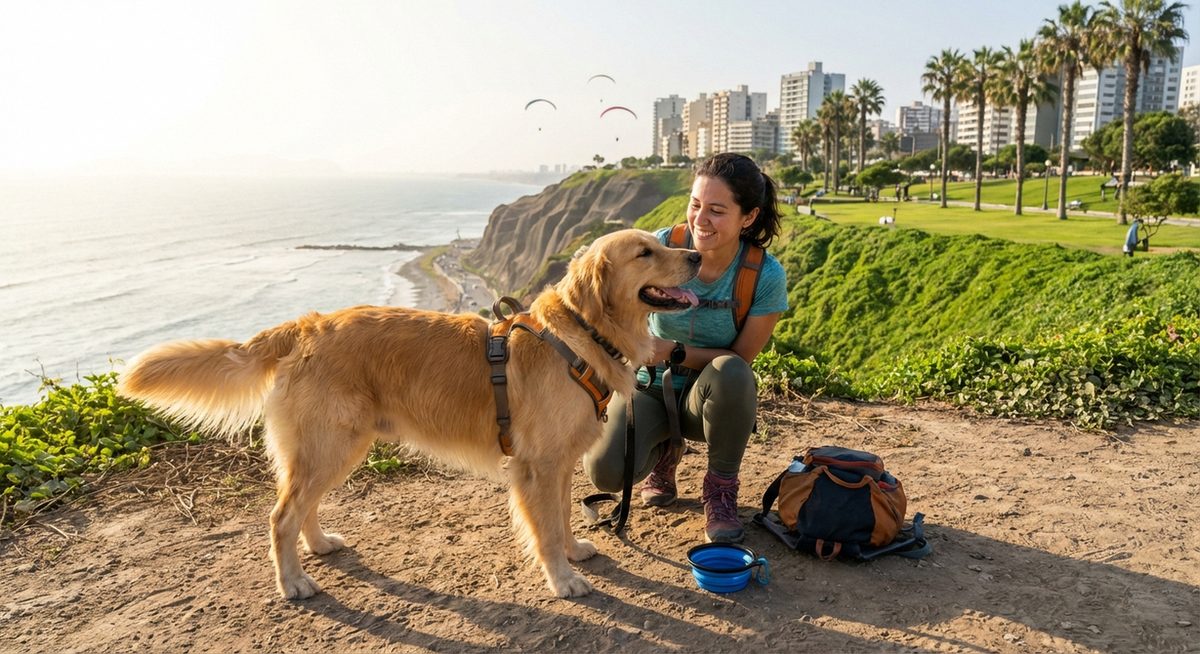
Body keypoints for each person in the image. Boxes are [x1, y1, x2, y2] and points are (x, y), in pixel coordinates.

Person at [582, 153, 789, 543]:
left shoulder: (764, 275)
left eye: (716, 210)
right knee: (605, 473)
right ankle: (666, 453)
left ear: (748, 217)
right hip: (649, 387)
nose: (700, 219)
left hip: (709, 399)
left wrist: (674, 350)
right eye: (695, 205)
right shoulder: (659, 247)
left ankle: (720, 489)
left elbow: (741, 359)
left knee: (733, 373)